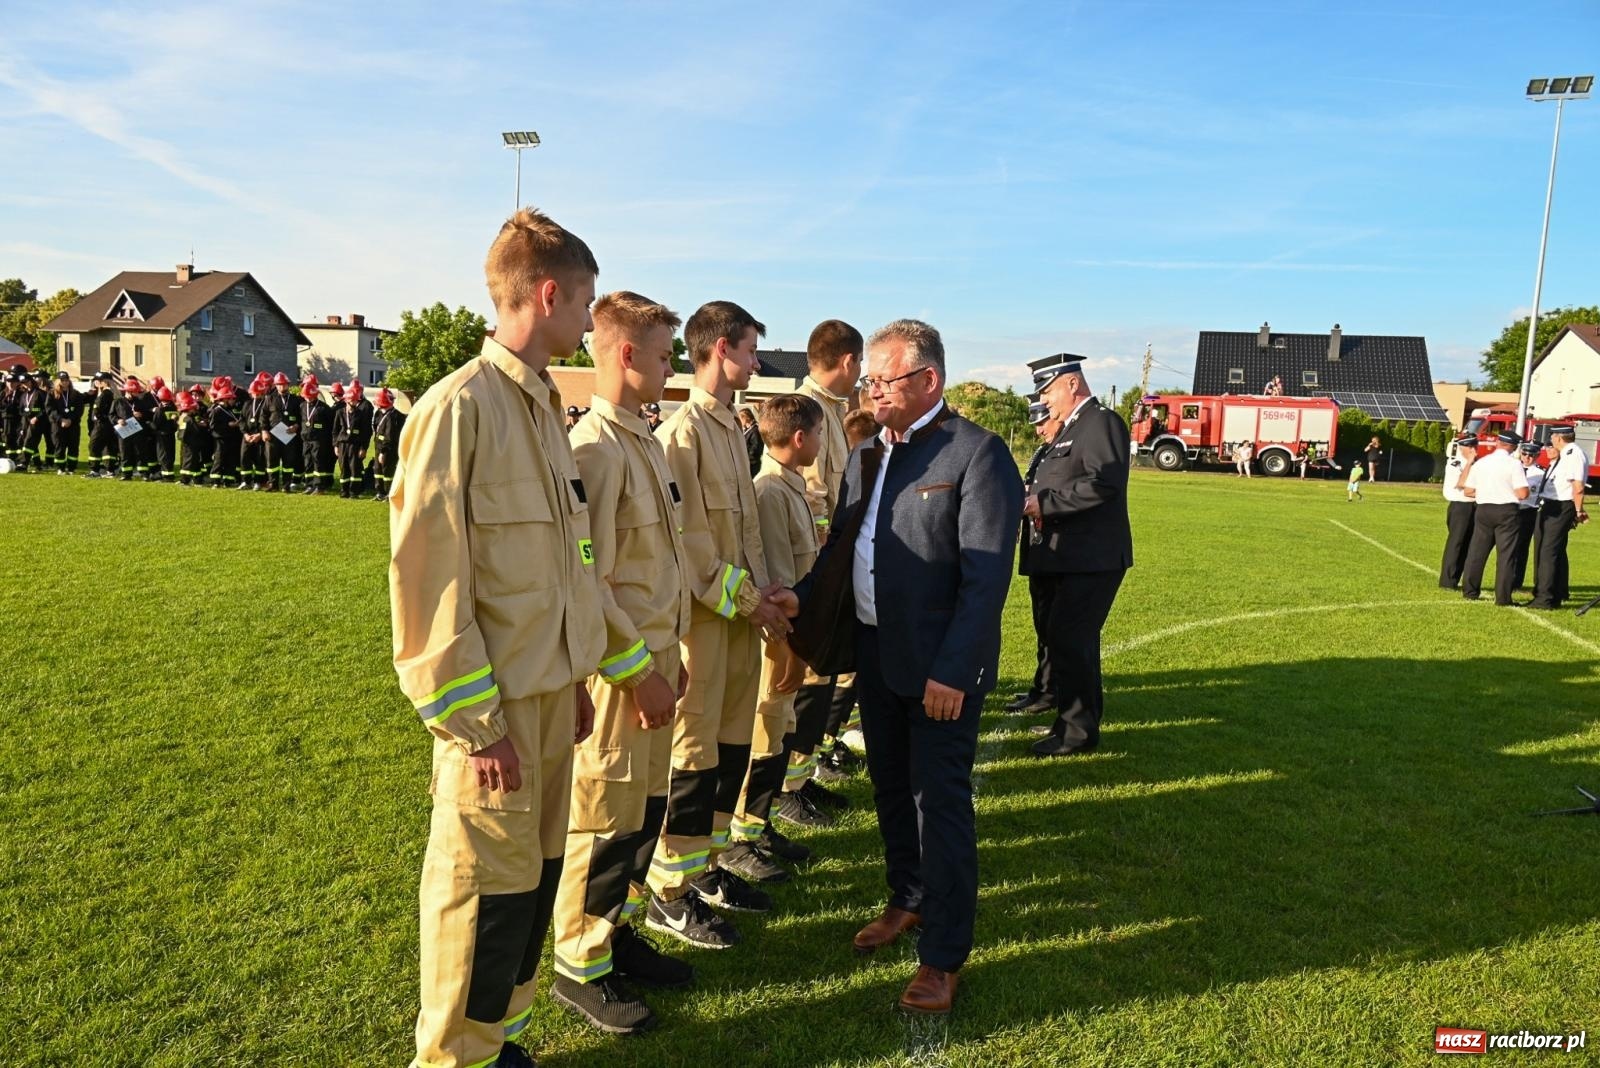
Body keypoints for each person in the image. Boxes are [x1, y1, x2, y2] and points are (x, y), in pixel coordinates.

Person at [389, 208, 605, 1068]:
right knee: (477, 896)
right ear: (547, 293)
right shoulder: (458, 409)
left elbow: (567, 563)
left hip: (553, 701)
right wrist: (475, 722)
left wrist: (579, 674)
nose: (589, 320)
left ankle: (497, 1042)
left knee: (532, 885)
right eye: (584, 301)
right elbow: (428, 583)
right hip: (498, 717)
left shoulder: (547, 407)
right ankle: (452, 1058)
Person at [788, 319, 1020, 1016]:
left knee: (938, 808)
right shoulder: (866, 453)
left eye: (885, 380)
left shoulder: (978, 455)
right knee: (891, 791)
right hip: (877, 657)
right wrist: (792, 602)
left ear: (929, 382)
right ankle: (908, 899)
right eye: (871, 380)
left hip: (940, 674)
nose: (873, 390)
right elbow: (841, 555)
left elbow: (986, 581)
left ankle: (944, 956)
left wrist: (953, 669)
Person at [550, 291, 696, 1036]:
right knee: (604, 819)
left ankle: (618, 930)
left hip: (656, 664)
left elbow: (659, 566)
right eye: (667, 353)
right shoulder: (595, 453)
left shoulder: (645, 440)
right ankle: (580, 961)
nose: (675, 367)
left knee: (642, 815)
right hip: (620, 679)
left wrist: (674, 651)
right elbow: (593, 582)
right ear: (627, 353)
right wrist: (639, 670)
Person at [644, 300, 793, 951]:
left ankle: (702, 867)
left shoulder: (732, 428)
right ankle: (666, 893)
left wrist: (766, 595)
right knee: (695, 755)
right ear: (722, 349)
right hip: (704, 624)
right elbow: (691, 544)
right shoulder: (682, 434)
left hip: (739, 619)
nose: (757, 362)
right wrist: (744, 599)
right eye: (751, 350)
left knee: (731, 744)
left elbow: (746, 533)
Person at [724, 393, 825, 884]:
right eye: (820, 435)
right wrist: (785, 642)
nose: (823, 444)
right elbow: (775, 579)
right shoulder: (769, 490)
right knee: (763, 736)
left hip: (793, 634)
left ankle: (758, 825)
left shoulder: (789, 486)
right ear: (800, 437)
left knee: (779, 732)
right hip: (776, 637)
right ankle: (740, 839)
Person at [1022, 354, 1134, 759]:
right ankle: (1068, 723)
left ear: (1072, 384)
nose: (1044, 400)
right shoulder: (1074, 426)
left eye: (1048, 390)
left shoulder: (1101, 422)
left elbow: (1103, 483)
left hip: (1093, 558)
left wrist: (1042, 504)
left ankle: (1078, 731)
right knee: (1064, 639)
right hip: (1070, 557)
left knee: (1072, 640)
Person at [782, 320, 864, 816]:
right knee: (807, 688)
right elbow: (812, 498)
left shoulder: (831, 412)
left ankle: (800, 775)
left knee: (822, 682)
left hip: (827, 567)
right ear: (849, 362)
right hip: (812, 570)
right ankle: (788, 789)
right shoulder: (810, 412)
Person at [1005, 401, 1063, 717]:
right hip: (1037, 549)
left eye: (1043, 423)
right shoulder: (1044, 453)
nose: (1039, 430)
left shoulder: (1065, 454)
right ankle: (1041, 687)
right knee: (1042, 624)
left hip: (1056, 552)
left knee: (1053, 626)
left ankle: (1050, 691)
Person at [1461, 430, 1529, 606]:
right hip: (1506, 511)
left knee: (1477, 552)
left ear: (1498, 443)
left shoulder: (1482, 463)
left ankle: (1470, 590)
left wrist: (1487, 490)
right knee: (1506, 555)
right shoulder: (1514, 464)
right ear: (1513, 447)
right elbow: (1522, 493)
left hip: (1484, 509)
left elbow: (1468, 490)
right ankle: (1503, 598)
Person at [1529, 425, 1589, 610]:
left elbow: (1577, 486)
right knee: (1552, 551)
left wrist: (1578, 511)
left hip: (1561, 505)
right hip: (1552, 504)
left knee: (1549, 552)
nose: (1552, 439)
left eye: (1553, 436)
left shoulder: (1573, 455)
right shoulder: (1567, 453)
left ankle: (1545, 598)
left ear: (1559, 438)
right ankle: (1553, 593)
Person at [1439, 433, 1476, 589]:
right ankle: (1447, 580)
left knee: (1468, 544)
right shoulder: (1455, 463)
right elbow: (1462, 484)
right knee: (1456, 543)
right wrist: (1470, 462)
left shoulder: (1477, 463)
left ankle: (1456, 577)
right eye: (1468, 447)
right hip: (1460, 506)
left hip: (1474, 505)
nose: (1471, 450)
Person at [1509, 442, 1544, 591]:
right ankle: (1506, 578)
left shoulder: (1540, 473)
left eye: (1531, 455)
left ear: (1536, 456)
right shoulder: (1513, 468)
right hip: (1511, 510)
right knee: (1509, 546)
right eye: (1525, 454)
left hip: (1528, 510)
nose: (1527, 458)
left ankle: (1517, 581)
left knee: (1522, 547)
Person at [262, 370, 302, 492]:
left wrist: (296, 426)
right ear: (275, 385)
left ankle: (286, 486)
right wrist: (264, 431)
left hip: (289, 435)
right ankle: (273, 485)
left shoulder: (296, 400)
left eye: (284, 384)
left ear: (288, 385)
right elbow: (263, 416)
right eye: (279, 384)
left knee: (288, 462)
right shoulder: (269, 399)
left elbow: (302, 416)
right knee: (272, 462)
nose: (281, 386)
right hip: (273, 435)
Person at [333, 381, 371, 498]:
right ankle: (344, 491)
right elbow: (335, 431)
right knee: (344, 468)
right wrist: (335, 445)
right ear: (346, 400)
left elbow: (366, 432)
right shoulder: (340, 413)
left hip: (355, 445)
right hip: (343, 445)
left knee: (355, 469)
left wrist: (363, 448)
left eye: (355, 400)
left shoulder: (361, 414)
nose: (353, 402)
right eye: (351, 400)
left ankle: (354, 491)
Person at [299, 375, 335, 495]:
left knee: (318, 462)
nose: (308, 399)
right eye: (306, 397)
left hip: (319, 441)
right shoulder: (302, 406)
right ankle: (309, 485)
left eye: (310, 397)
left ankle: (319, 486)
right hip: (306, 440)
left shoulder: (324, 408)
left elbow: (331, 426)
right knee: (307, 462)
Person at [46, 372, 84, 475]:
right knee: (59, 446)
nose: (65, 382)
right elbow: (50, 409)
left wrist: (70, 420)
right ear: (57, 381)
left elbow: (79, 409)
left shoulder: (76, 394)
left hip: (73, 425)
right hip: (58, 425)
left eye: (66, 380)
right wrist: (61, 419)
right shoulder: (51, 394)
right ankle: (60, 468)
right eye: (62, 380)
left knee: (73, 447)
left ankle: (71, 468)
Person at [371, 387, 405, 502]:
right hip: (379, 447)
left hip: (389, 449)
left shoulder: (394, 416)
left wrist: (383, 451)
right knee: (377, 470)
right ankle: (379, 492)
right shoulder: (379, 413)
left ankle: (389, 493)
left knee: (387, 471)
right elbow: (376, 428)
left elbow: (390, 437)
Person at [239, 373, 271, 490]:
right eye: (254, 393)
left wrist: (259, 434)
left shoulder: (266, 404)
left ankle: (259, 482)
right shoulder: (247, 404)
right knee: (244, 458)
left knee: (259, 460)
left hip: (259, 436)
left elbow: (267, 420)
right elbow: (241, 420)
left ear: (263, 393)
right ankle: (245, 482)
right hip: (247, 437)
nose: (256, 395)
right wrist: (245, 433)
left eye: (259, 393)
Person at [209, 382, 243, 487]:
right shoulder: (216, 411)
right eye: (231, 399)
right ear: (225, 399)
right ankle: (215, 481)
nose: (234, 401)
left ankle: (227, 481)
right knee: (219, 460)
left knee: (230, 460)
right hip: (220, 440)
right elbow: (213, 426)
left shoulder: (229, 411)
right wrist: (228, 425)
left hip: (231, 440)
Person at [175, 389, 211, 485]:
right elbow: (195, 431)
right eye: (193, 408)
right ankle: (185, 480)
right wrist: (200, 425)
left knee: (194, 462)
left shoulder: (183, 417)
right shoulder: (189, 419)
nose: (195, 410)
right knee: (189, 462)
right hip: (191, 445)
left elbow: (182, 432)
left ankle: (197, 480)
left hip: (188, 444)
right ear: (189, 408)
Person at [86, 372, 118, 478]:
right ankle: (111, 470)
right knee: (109, 447)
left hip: (101, 425)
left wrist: (100, 417)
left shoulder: (105, 394)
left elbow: (97, 410)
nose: (96, 382)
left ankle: (94, 471)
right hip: (110, 425)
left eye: (98, 380)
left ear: (104, 382)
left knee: (94, 446)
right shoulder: (113, 393)